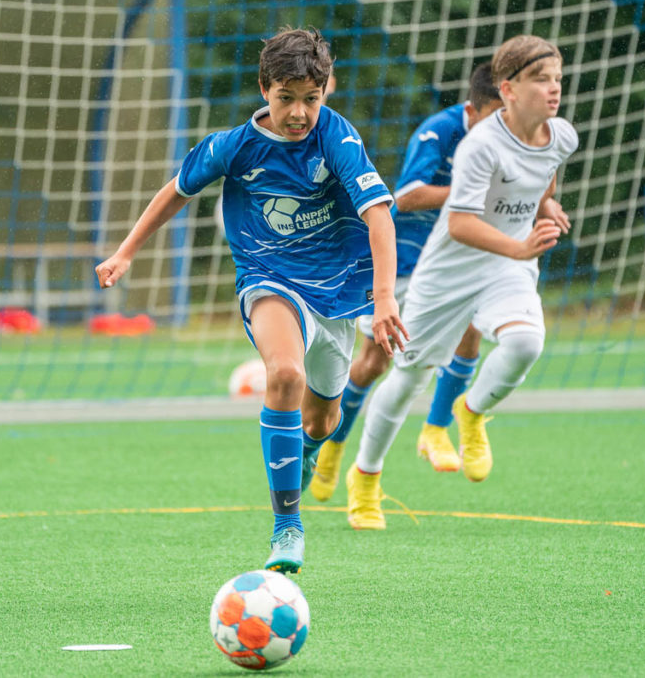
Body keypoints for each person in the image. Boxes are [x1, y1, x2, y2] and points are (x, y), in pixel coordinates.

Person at [95, 28, 407, 570]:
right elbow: (175, 190)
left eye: (311, 99)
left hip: (336, 289)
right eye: (287, 98)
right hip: (268, 277)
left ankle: (308, 449)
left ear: (326, 91)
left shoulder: (337, 137)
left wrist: (384, 301)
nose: (299, 112)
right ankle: (287, 526)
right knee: (283, 375)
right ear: (265, 89)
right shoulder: (233, 146)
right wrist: (126, 253)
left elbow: (378, 214)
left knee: (323, 419)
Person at [345, 35, 578, 529]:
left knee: (525, 343)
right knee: (407, 375)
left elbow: (543, 177)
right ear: (508, 89)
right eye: (541, 80)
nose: (554, 90)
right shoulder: (480, 146)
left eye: (557, 78)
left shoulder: (561, 135)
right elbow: (458, 223)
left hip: (507, 268)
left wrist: (546, 205)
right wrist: (519, 245)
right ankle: (365, 478)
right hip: (450, 270)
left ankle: (469, 412)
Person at [309, 62, 505, 504]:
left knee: (470, 329)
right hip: (404, 258)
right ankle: (334, 445)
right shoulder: (439, 131)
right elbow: (409, 194)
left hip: (456, 257)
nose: (503, 125)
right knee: (374, 363)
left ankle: (436, 428)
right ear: (473, 111)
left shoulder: (508, 139)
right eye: (495, 115)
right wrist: (472, 195)